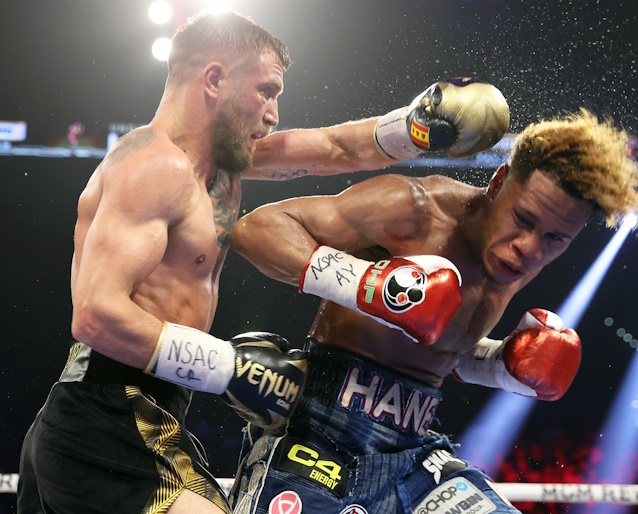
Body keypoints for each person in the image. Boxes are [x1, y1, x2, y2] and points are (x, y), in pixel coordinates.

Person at [17, 8, 510, 514]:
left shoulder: (221, 168)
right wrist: (233, 370)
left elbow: (334, 149)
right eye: (266, 91)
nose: (273, 113)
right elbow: (95, 316)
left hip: (145, 411)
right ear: (214, 80)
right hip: (104, 415)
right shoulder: (153, 166)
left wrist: (416, 128)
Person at [229, 108, 638, 513]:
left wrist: (499, 364)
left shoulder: (517, 256)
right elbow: (257, 228)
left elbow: (440, 343)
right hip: (320, 430)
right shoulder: (416, 210)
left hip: (414, 453)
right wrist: (367, 284)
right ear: (498, 182)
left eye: (556, 238)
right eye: (523, 219)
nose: (530, 247)